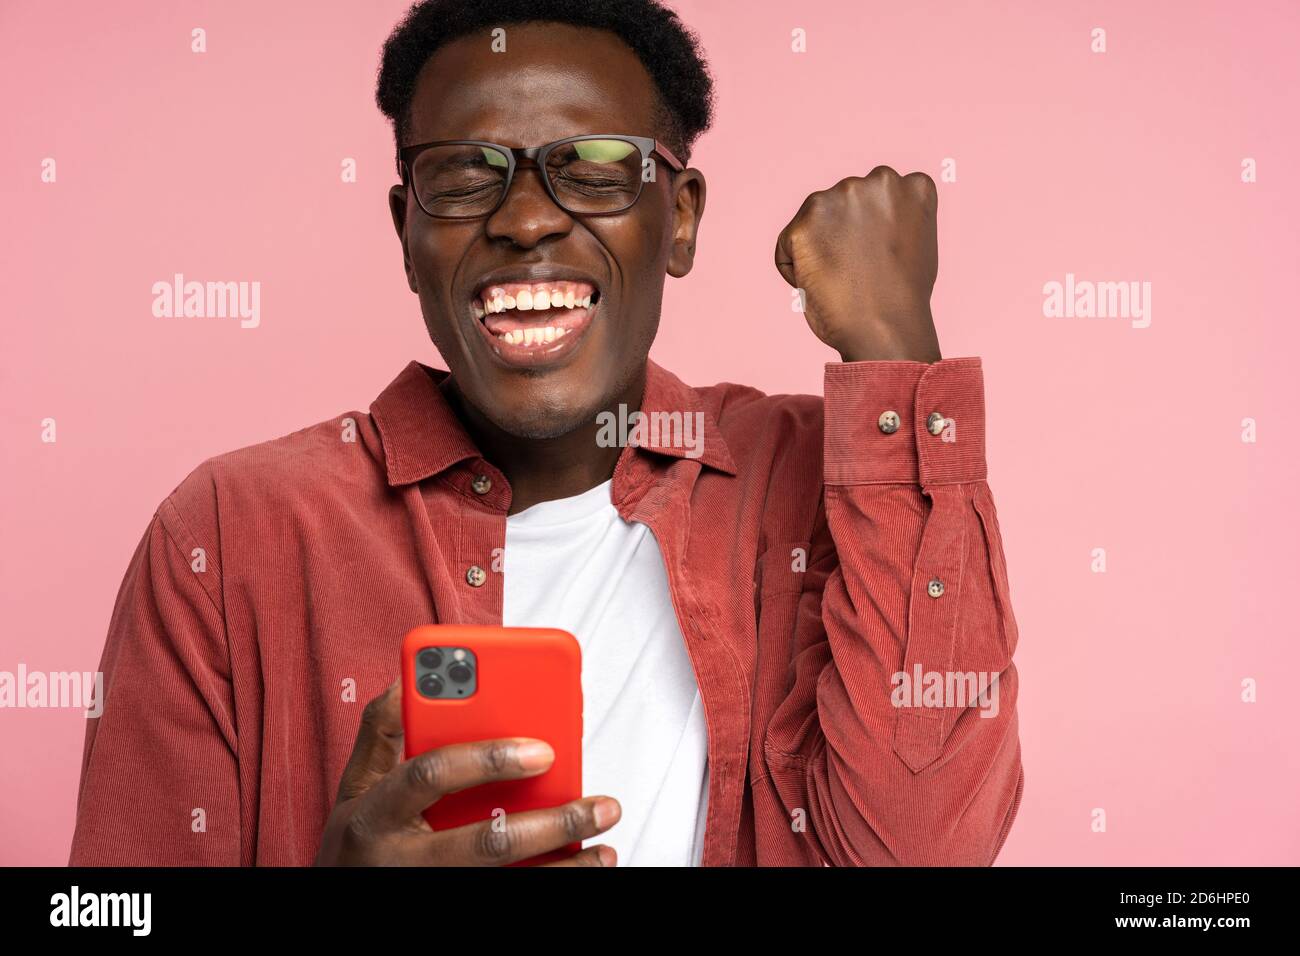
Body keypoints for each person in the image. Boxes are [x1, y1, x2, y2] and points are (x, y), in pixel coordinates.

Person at [69, 0, 1023, 867]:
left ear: (679, 220)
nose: (526, 219)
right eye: (462, 175)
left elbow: (917, 849)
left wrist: (894, 352)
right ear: (407, 232)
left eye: (596, 169)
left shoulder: (823, 482)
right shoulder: (231, 536)